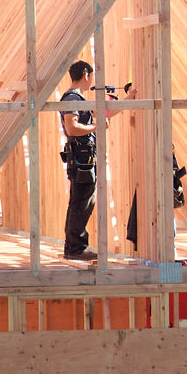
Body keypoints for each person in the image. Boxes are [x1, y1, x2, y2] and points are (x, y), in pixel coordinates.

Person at [60, 60, 135, 260]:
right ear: (86, 75)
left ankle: (73, 247)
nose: (91, 80)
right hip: (81, 158)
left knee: (81, 201)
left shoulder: (80, 99)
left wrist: (128, 100)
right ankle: (76, 248)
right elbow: (72, 127)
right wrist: (97, 127)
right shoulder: (73, 98)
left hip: (84, 157)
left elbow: (101, 114)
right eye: (91, 76)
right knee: (81, 203)